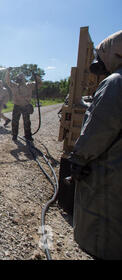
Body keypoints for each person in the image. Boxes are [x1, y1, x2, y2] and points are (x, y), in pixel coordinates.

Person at [69, 30, 122, 259]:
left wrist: (78, 158)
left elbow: (99, 128)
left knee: (103, 236)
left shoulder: (115, 81)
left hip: (110, 175)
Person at [5, 68, 41, 141]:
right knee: (15, 121)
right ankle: (14, 135)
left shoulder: (29, 85)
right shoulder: (14, 85)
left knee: (27, 122)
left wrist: (36, 76)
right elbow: (7, 81)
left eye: (21, 77)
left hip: (26, 106)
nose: (19, 78)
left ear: (24, 78)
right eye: (18, 77)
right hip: (17, 106)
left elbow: (39, 83)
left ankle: (28, 135)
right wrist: (8, 72)